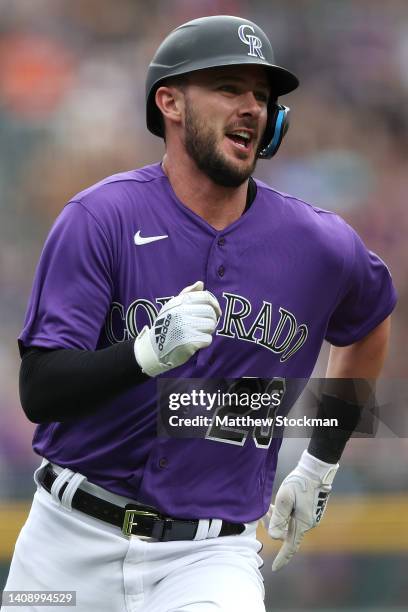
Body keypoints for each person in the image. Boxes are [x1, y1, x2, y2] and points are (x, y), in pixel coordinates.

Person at [3, 15, 396, 612]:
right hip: (68, 538)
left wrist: (319, 464)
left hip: (209, 558)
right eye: (228, 88)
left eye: (262, 96)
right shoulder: (100, 218)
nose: (251, 108)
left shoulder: (318, 243)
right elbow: (40, 390)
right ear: (170, 102)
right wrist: (144, 355)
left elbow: (370, 323)